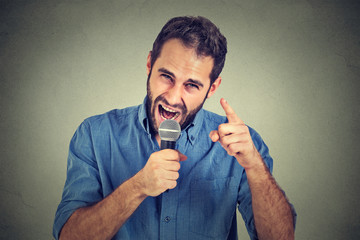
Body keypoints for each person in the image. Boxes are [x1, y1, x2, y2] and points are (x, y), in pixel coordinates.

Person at [53, 16, 296, 240]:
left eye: (191, 85)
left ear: (212, 88)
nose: (172, 97)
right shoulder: (95, 135)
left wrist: (254, 166)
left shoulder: (242, 145)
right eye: (166, 76)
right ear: (150, 63)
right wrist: (137, 187)